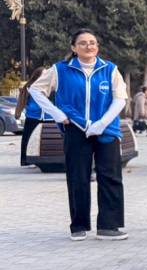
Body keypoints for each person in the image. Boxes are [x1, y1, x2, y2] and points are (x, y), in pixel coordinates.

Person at [29, 29, 129, 241]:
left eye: (92, 42)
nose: (88, 46)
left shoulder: (110, 69)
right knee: (78, 177)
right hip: (75, 128)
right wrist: (57, 113)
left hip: (107, 130)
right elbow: (35, 90)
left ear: (97, 47)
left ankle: (109, 226)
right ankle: (78, 226)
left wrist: (101, 124)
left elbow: (120, 99)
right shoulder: (60, 70)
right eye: (82, 43)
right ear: (73, 48)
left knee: (110, 176)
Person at [14, 66, 52, 167]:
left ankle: (47, 159)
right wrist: (18, 113)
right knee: (28, 139)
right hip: (33, 117)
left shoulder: (51, 87)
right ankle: (27, 161)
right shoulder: (29, 87)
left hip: (48, 118)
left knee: (46, 140)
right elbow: (21, 101)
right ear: (37, 76)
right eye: (43, 74)